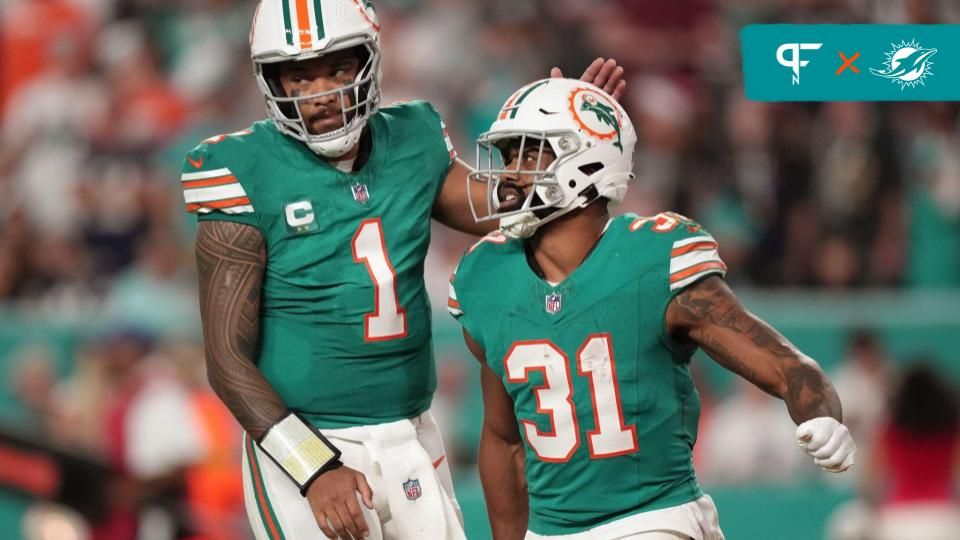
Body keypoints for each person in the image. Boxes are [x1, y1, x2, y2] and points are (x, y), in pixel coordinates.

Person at [180, 1, 626, 539]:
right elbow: (227, 360)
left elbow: (507, 204)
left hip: (412, 431)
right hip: (305, 441)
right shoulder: (240, 168)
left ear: (369, 62)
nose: (320, 92)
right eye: (299, 76)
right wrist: (312, 466)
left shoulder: (412, 135)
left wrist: (558, 138)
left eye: (338, 68)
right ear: (272, 81)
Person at [449, 77, 857, 539]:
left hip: (653, 521)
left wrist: (820, 412)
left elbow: (788, 367)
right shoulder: (488, 278)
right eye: (507, 157)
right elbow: (504, 441)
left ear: (586, 161)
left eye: (527, 154)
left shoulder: (651, 260)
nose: (509, 174)